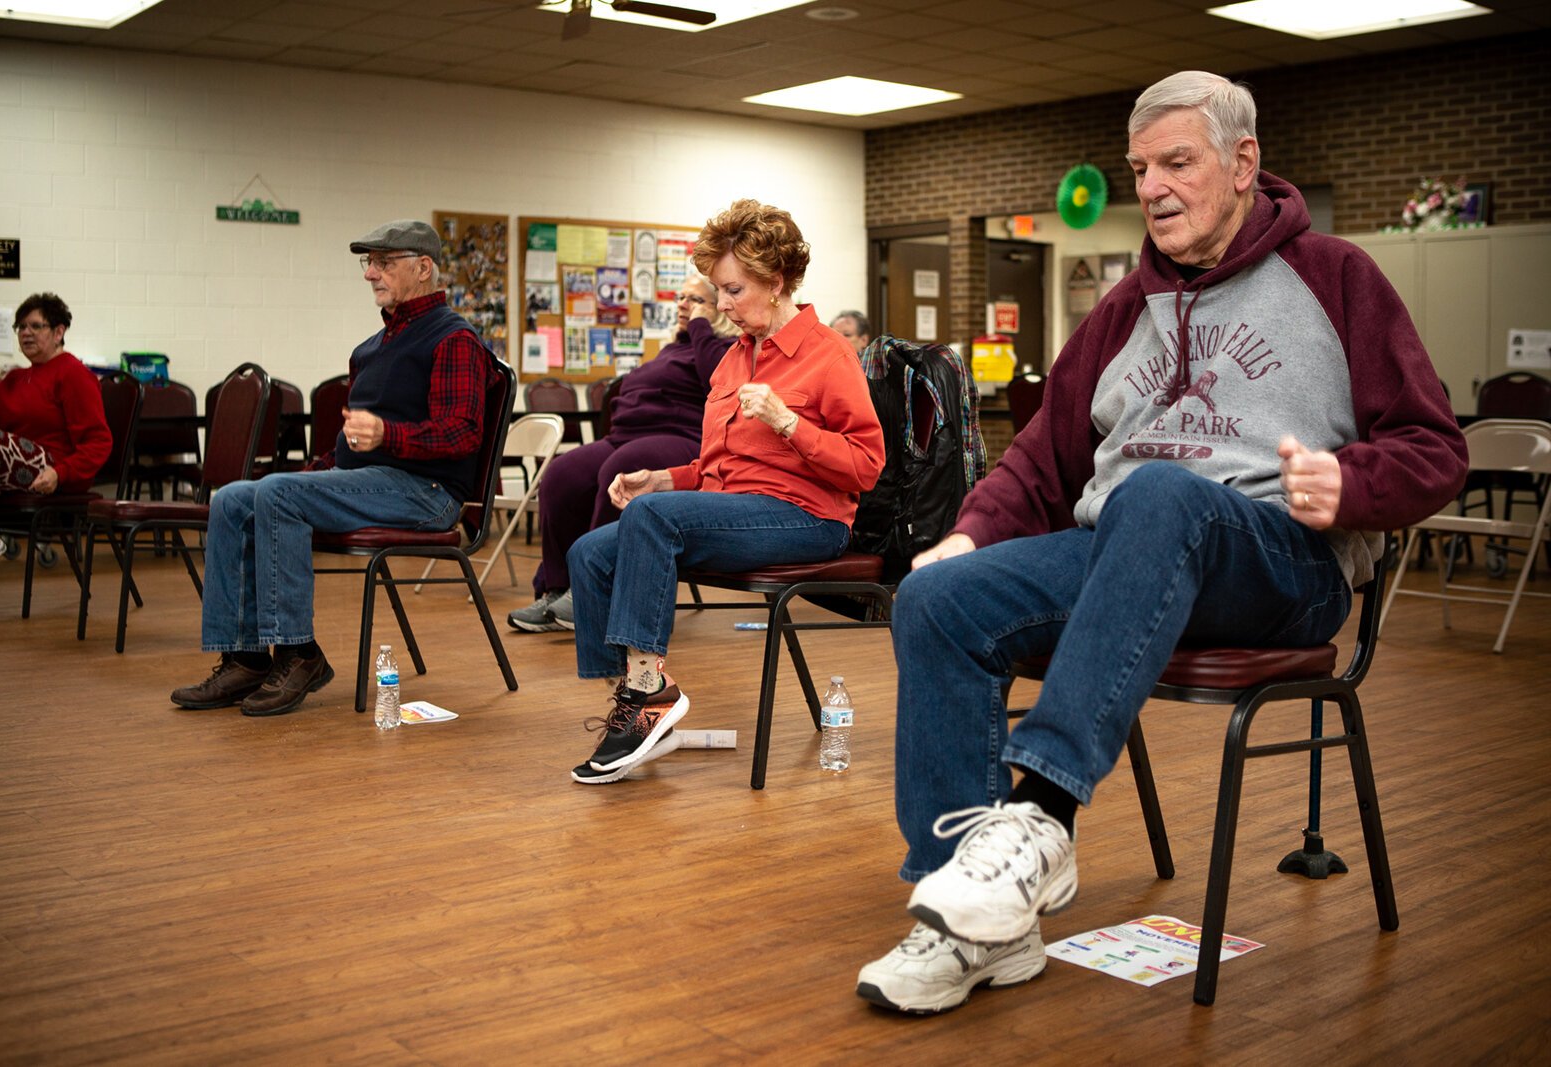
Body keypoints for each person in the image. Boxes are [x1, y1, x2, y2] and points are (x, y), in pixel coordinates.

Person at [855, 71, 1468, 1015]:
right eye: (1141, 168)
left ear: (1242, 163)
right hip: (1128, 553)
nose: (1151, 187)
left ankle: (1044, 816)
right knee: (940, 600)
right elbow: (1043, 458)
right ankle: (976, 925)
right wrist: (969, 534)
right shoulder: (1119, 310)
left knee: (1161, 495)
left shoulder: (1337, 277)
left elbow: (1436, 448)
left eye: (1176, 163)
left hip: (1280, 562)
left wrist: (1354, 485)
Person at [564, 199, 886, 784]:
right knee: (588, 553)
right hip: (740, 513)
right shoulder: (734, 360)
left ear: (777, 280)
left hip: (808, 518)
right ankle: (637, 701)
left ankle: (646, 695)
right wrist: (662, 480)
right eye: (720, 291)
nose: (725, 306)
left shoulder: (829, 355)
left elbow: (865, 467)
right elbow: (719, 468)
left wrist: (790, 422)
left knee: (654, 520)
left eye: (735, 291)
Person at [169, 219, 497, 717]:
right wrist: (313, 471)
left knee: (276, 494)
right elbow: (348, 452)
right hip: (375, 483)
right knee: (234, 497)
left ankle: (299, 652)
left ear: (423, 267)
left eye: (383, 262)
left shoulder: (453, 339)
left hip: (427, 492)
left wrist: (388, 435)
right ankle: (246, 657)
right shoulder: (369, 350)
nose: (370, 273)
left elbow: (462, 434)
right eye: (369, 263)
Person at [507, 274, 739, 632]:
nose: (682, 305)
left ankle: (596, 589)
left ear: (719, 308)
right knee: (561, 475)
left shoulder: (725, 347)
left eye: (695, 300)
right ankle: (557, 588)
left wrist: (700, 328)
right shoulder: (673, 348)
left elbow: (718, 379)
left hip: (681, 438)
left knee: (621, 468)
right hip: (627, 434)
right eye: (681, 297)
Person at [0, 293, 111, 617]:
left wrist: (61, 472)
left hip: (50, 468)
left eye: (36, 326)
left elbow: (98, 441)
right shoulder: (13, 378)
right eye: (21, 326)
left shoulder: (72, 373)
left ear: (58, 332)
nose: (26, 332)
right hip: (12, 470)